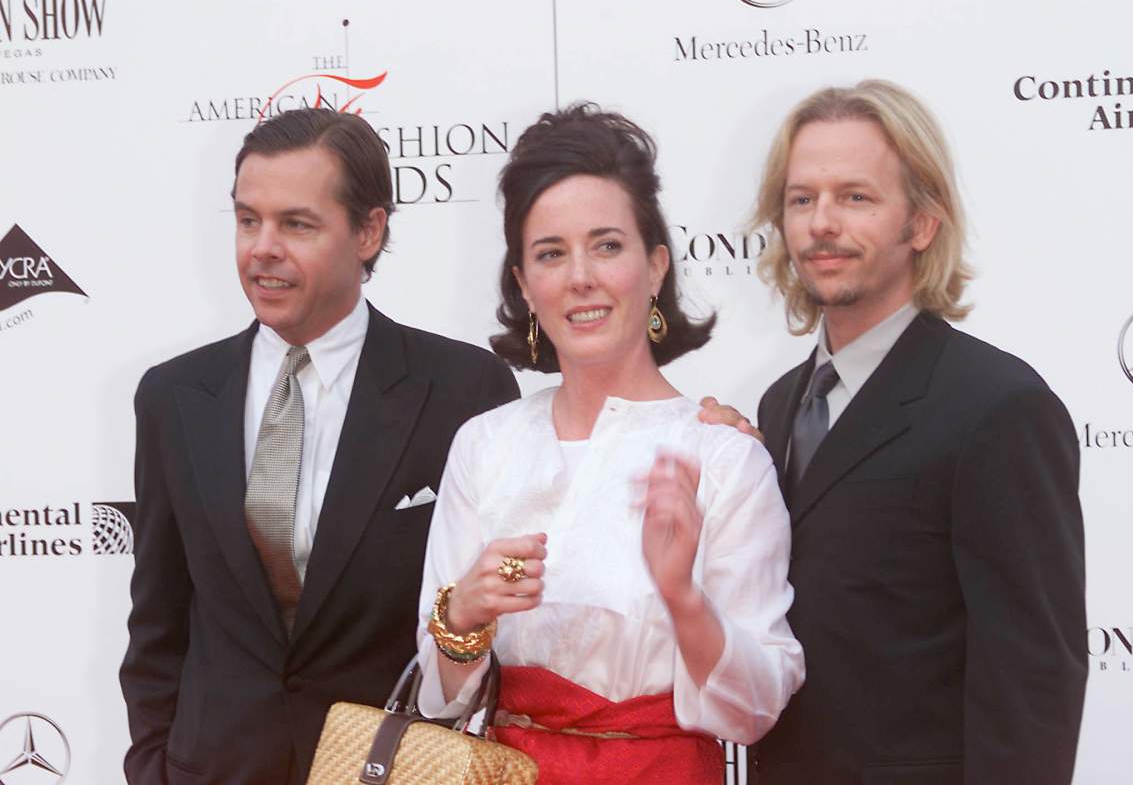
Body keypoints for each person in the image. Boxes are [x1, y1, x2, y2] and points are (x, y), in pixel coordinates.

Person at [701, 80, 1087, 784]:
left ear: (922, 223)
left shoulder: (1000, 407)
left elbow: (1033, 683)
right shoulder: (780, 405)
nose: (821, 223)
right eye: (801, 199)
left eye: (856, 197)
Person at [118, 108, 518, 785]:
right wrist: (154, 766)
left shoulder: (463, 389)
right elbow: (158, 623)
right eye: (248, 220)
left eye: (296, 224)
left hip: (391, 769)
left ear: (368, 231)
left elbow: (494, 621)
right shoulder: (174, 397)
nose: (262, 248)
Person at [414, 104, 805, 785]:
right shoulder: (485, 445)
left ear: (655, 267)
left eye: (607, 245)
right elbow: (440, 697)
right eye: (550, 253)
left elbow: (757, 709)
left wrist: (683, 597)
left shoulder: (722, 457)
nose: (580, 277)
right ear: (523, 284)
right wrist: (463, 615)